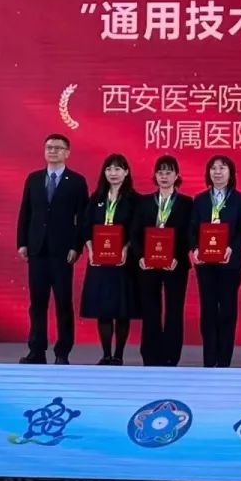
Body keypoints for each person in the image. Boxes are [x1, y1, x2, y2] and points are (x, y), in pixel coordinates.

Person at [16, 133, 88, 365]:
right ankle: (36, 350)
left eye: (58, 148)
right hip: (37, 249)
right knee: (37, 303)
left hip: (63, 252)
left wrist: (77, 247)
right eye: (49, 147)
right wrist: (22, 242)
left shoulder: (77, 181)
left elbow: (83, 219)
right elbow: (25, 212)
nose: (53, 151)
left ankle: (62, 352)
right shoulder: (34, 179)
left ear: (67, 152)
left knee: (63, 303)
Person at [189, 155, 241, 367]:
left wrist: (231, 247)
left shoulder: (240, 199)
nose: (217, 172)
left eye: (222, 168)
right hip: (205, 264)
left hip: (229, 264)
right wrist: (195, 249)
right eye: (213, 168)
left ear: (230, 173)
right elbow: (192, 229)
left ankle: (224, 361)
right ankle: (209, 360)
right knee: (208, 310)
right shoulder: (200, 200)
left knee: (227, 311)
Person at [132, 155, 193, 367]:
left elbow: (189, 234)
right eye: (160, 172)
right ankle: (150, 355)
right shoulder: (144, 202)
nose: (164, 177)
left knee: (174, 309)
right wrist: (140, 256)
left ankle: (171, 356)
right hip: (148, 264)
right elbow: (135, 233)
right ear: (155, 176)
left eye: (168, 172)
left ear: (177, 176)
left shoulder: (186, 203)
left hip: (176, 265)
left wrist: (177, 257)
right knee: (150, 309)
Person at [80, 153, 140, 365]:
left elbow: (136, 229)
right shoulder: (96, 198)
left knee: (122, 310)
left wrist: (126, 248)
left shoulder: (134, 199)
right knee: (103, 309)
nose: (113, 173)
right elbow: (85, 226)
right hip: (100, 261)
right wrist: (90, 250)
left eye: (117, 169)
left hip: (124, 262)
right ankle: (106, 354)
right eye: (109, 169)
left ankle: (119, 355)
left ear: (126, 172)